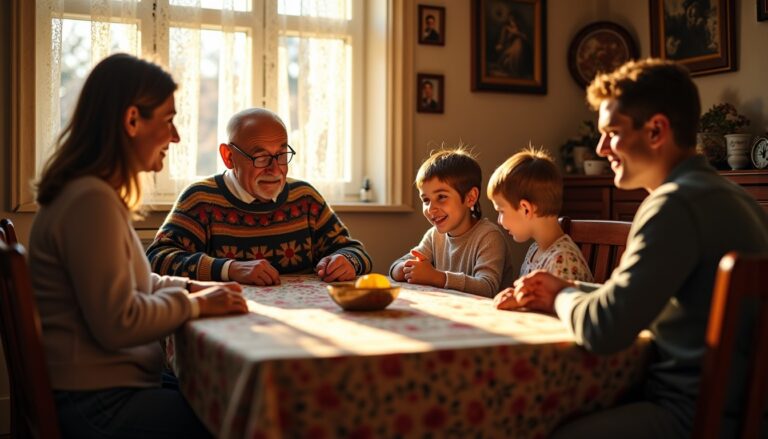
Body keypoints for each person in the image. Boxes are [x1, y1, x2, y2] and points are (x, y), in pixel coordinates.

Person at [509, 59, 768, 438]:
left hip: (689, 418)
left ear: (656, 131)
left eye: (612, 133)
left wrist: (560, 296)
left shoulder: (673, 205)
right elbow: (645, 300)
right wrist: (570, 288)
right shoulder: (737, 199)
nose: (601, 148)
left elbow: (604, 329)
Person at [28, 53, 248, 438]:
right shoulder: (90, 202)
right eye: (168, 120)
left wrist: (190, 287)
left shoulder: (91, 194)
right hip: (99, 403)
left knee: (229, 397)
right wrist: (195, 305)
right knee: (242, 420)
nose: (176, 136)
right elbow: (120, 322)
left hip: (105, 388)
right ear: (132, 120)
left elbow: (135, 284)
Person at [146, 108, 372, 285]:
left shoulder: (305, 197)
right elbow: (156, 259)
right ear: (228, 156)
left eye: (281, 155)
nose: (275, 169)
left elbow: (356, 252)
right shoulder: (200, 200)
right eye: (261, 157)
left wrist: (347, 261)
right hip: (230, 316)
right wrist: (230, 269)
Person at [389, 148, 515, 298]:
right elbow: (397, 266)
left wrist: (436, 277)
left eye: (441, 197)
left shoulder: (489, 237)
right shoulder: (434, 236)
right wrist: (405, 268)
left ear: (470, 197)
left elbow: (487, 287)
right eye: (426, 200)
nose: (431, 208)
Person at [488, 148, 592, 310]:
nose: (499, 221)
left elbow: (560, 313)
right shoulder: (534, 249)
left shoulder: (563, 260)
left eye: (501, 211)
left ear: (526, 209)